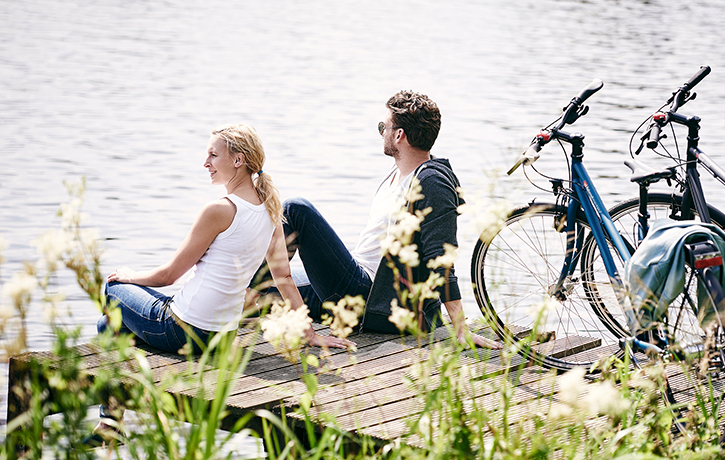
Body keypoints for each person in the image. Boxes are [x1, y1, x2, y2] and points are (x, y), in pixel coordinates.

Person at [88, 124, 353, 445]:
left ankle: (111, 422)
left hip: (180, 328)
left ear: (239, 160)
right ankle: (109, 426)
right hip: (220, 339)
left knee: (112, 290)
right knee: (109, 324)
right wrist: (308, 332)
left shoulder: (219, 210)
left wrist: (128, 275)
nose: (206, 163)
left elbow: (168, 276)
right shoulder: (270, 210)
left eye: (213, 155)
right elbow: (283, 277)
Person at [253, 91, 501, 349]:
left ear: (399, 135)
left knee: (296, 210)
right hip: (356, 280)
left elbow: (442, 258)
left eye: (384, 126)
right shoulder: (399, 174)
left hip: (372, 297)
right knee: (262, 292)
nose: (381, 131)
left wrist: (460, 329)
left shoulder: (432, 183)